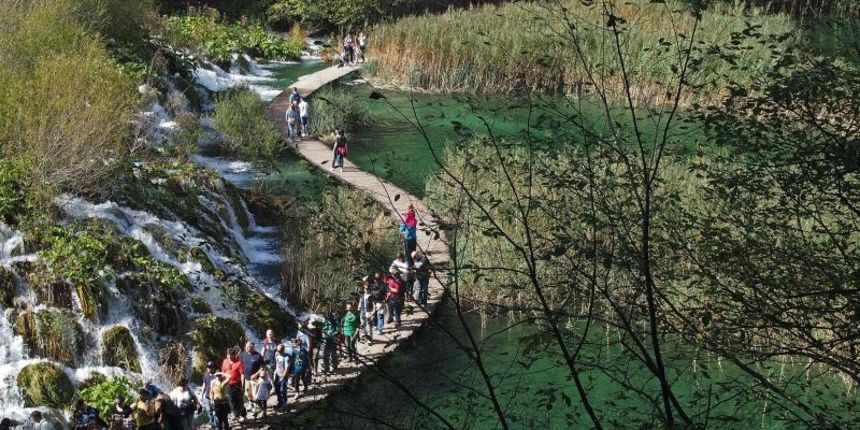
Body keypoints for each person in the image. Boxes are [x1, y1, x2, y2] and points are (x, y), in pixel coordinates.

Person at [221, 346, 246, 423]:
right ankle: (236, 415)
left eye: (231, 355)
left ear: (234, 355)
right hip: (228, 385)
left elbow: (242, 375)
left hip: (237, 385)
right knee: (231, 401)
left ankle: (243, 415)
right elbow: (223, 372)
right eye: (228, 355)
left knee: (240, 401)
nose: (229, 357)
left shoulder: (239, 362)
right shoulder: (225, 361)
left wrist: (242, 386)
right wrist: (222, 383)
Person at [240, 341, 264, 414]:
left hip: (255, 379)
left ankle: (260, 408)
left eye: (249, 347)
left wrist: (256, 374)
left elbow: (263, 367)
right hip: (247, 379)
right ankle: (251, 405)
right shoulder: (243, 355)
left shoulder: (258, 356)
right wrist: (242, 377)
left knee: (255, 395)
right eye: (246, 346)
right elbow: (241, 366)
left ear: (253, 347)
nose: (247, 348)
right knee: (248, 394)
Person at [199, 361, 219, 430]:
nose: (209, 369)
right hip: (207, 396)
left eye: (211, 367)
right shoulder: (205, 375)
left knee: (215, 412)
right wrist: (201, 395)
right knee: (209, 411)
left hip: (215, 397)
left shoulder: (217, 375)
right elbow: (204, 385)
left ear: (214, 368)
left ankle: (217, 426)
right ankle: (212, 424)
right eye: (208, 367)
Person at [320, 313, 339, 380]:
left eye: (330, 317)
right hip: (326, 341)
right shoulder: (324, 323)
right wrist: (324, 333)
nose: (329, 318)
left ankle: (334, 366)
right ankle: (327, 369)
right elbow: (322, 330)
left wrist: (334, 333)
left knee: (333, 354)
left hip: (333, 340)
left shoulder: (335, 322)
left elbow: (338, 330)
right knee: (325, 356)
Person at [273, 343, 290, 411]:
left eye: (280, 350)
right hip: (277, 374)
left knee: (283, 390)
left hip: (283, 375)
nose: (279, 352)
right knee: (277, 389)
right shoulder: (276, 354)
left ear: (283, 350)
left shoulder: (286, 357)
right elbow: (276, 363)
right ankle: (280, 402)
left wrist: (283, 377)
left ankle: (284, 404)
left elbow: (287, 368)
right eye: (278, 350)